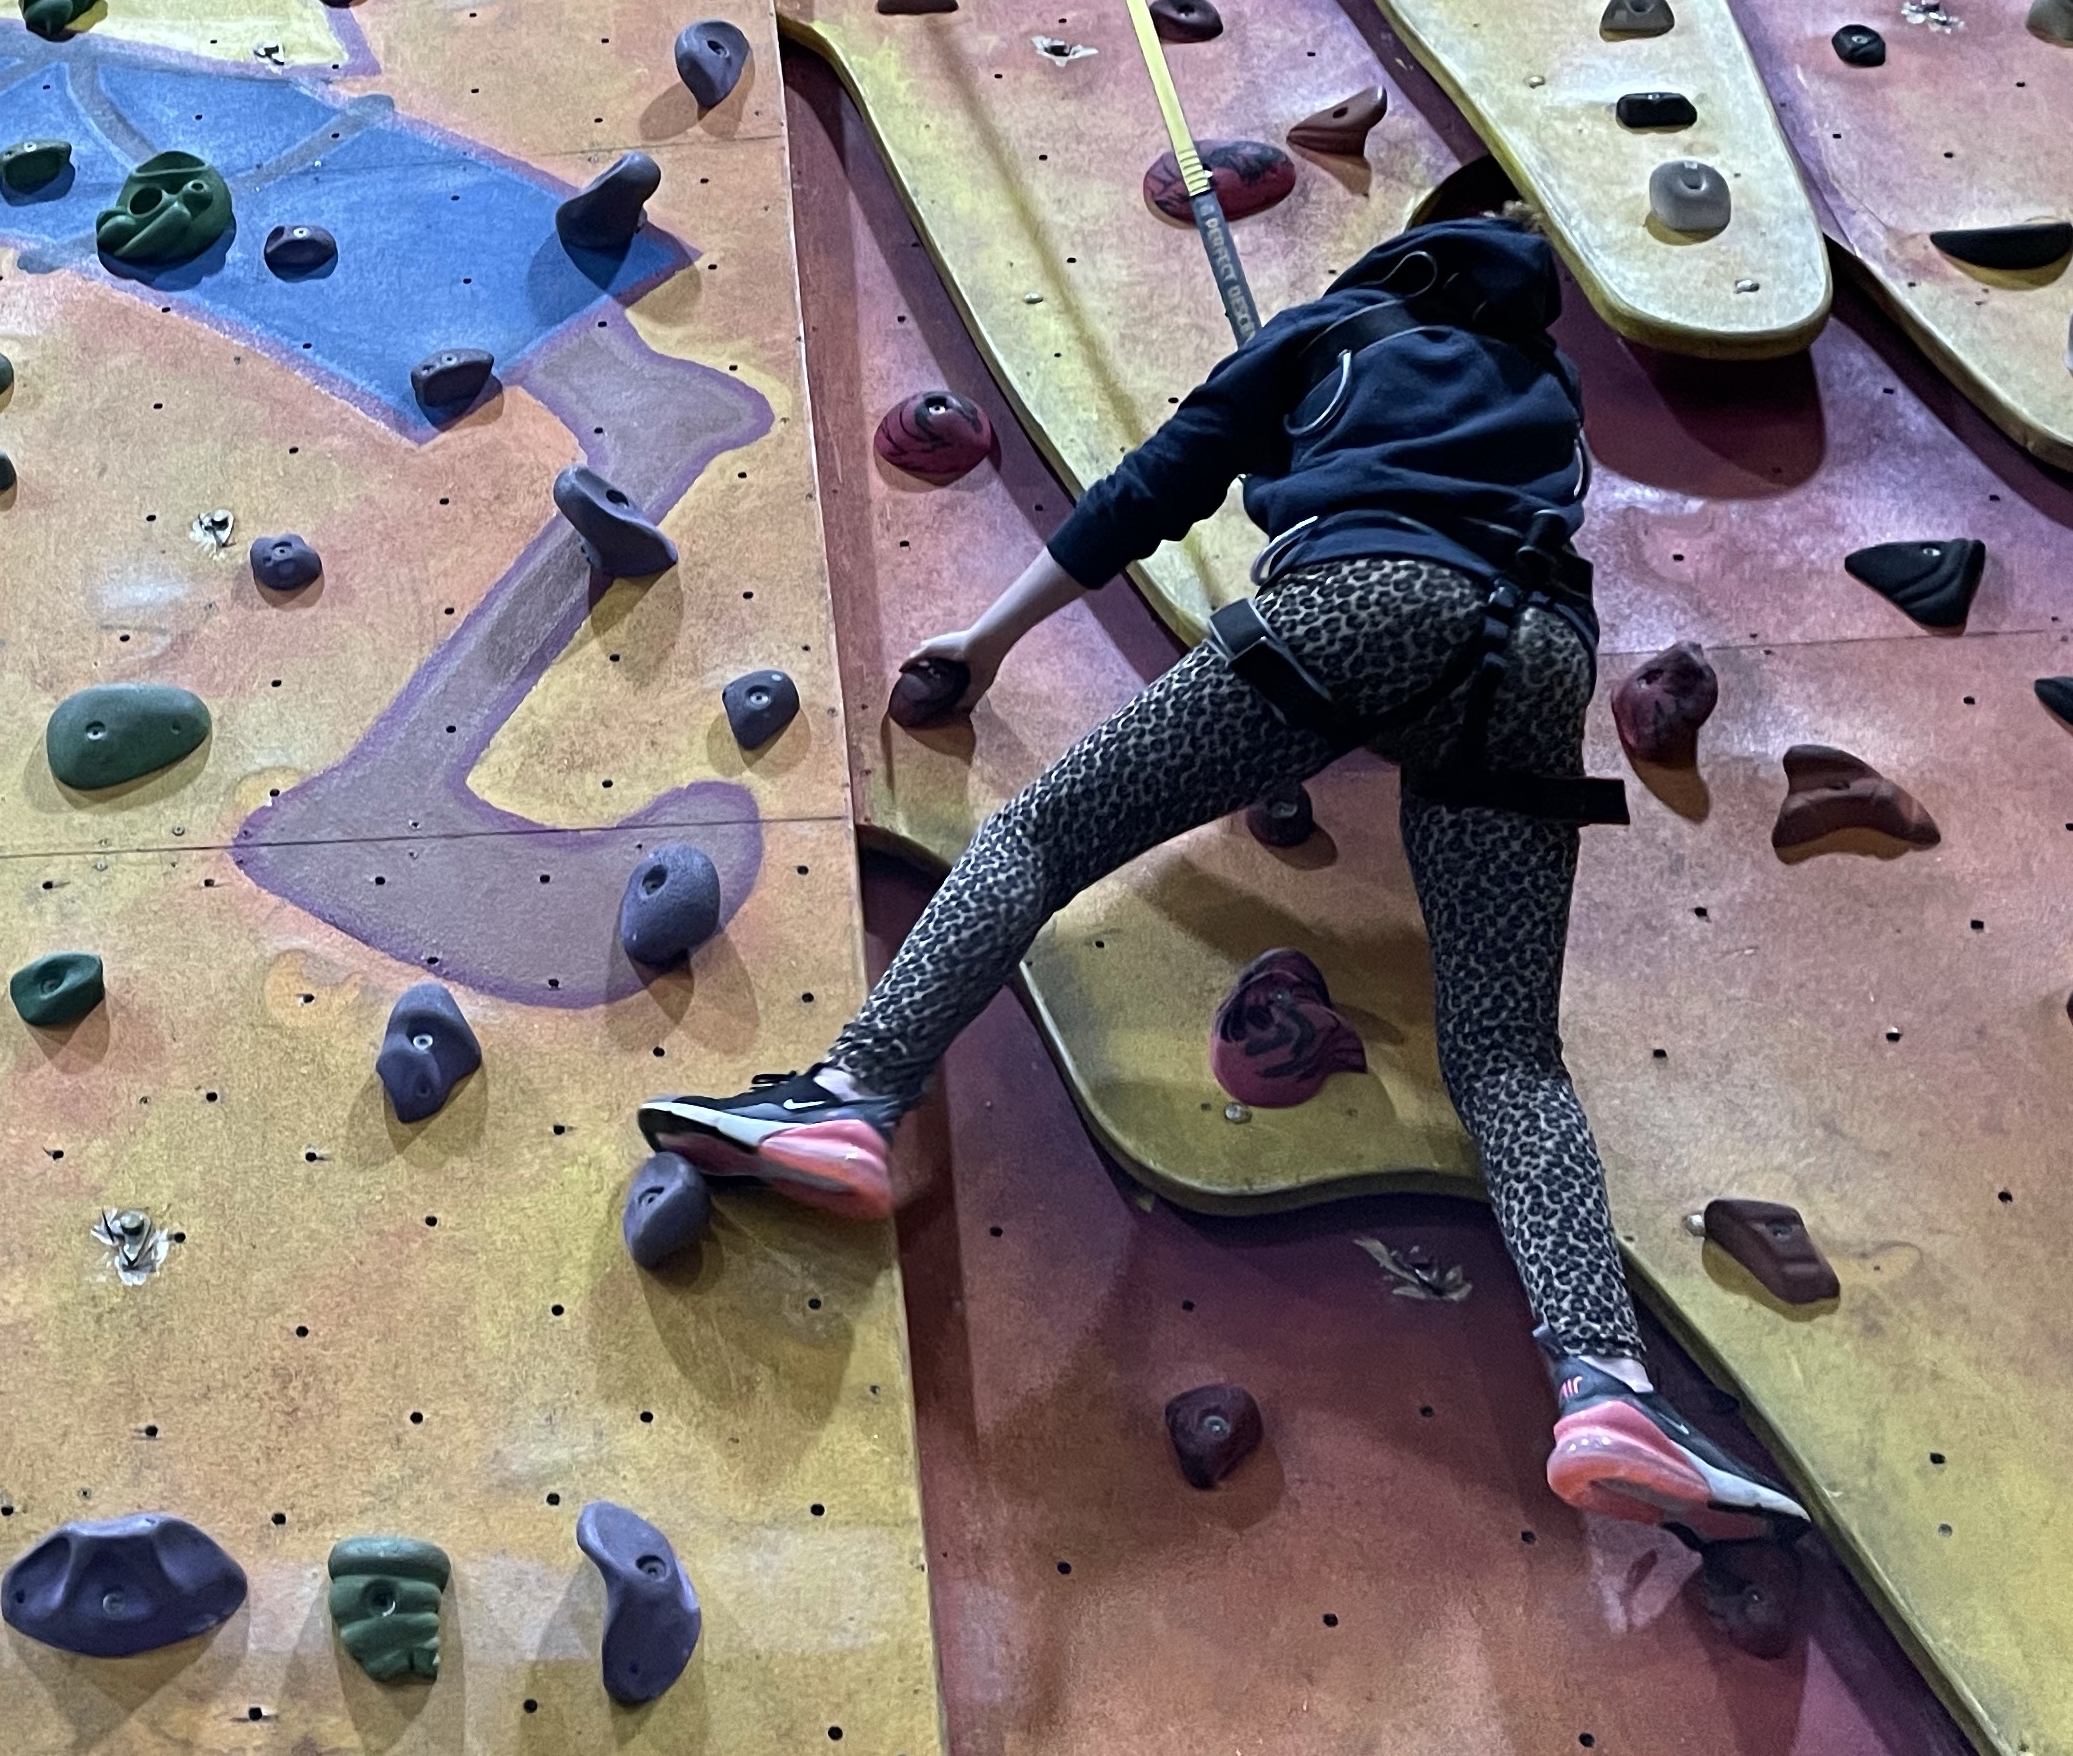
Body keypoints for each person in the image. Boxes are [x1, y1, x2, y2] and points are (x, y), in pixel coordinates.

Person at [641, 207, 1809, 1549]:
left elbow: (1154, 489)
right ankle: (1608, 1390)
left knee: (1038, 840)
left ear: (1400, 263)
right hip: (1538, 653)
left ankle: (851, 1097)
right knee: (1507, 1053)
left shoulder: (1331, 330)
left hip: (1358, 601)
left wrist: (988, 640)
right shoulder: (1547, 390)